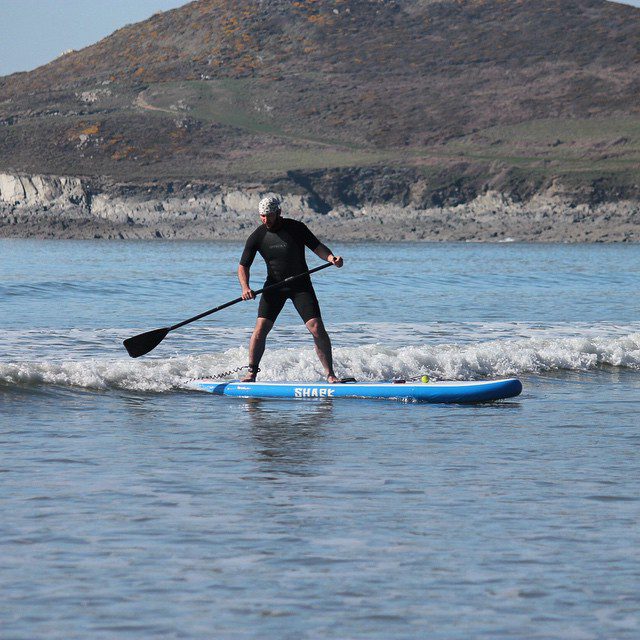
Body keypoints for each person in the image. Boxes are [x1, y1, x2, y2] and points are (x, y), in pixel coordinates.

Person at [238, 196, 344, 383]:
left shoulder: (296, 228)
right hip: (274, 287)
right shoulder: (258, 236)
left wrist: (331, 259)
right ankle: (251, 373)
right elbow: (243, 266)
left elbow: (317, 246)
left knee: (317, 328)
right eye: (262, 216)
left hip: (300, 285)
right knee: (261, 328)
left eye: (269, 215)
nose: (265, 219)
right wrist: (245, 287)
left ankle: (330, 375)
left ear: (278, 212)